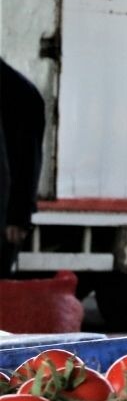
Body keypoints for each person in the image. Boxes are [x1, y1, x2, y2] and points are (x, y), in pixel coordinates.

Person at [0, 58, 45, 276]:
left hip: (7, 218)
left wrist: (18, 217)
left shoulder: (20, 94)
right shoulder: (23, 91)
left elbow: (26, 163)